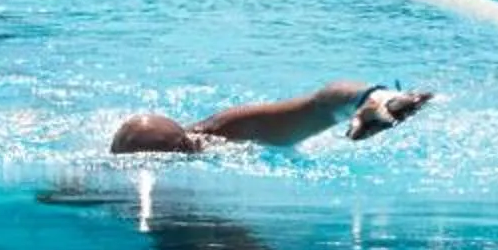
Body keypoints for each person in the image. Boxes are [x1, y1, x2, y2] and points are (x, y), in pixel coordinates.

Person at [111, 80, 434, 156]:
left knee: (322, 104)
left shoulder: (224, 132)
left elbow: (321, 101)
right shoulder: (224, 134)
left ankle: (379, 101)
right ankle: (378, 102)